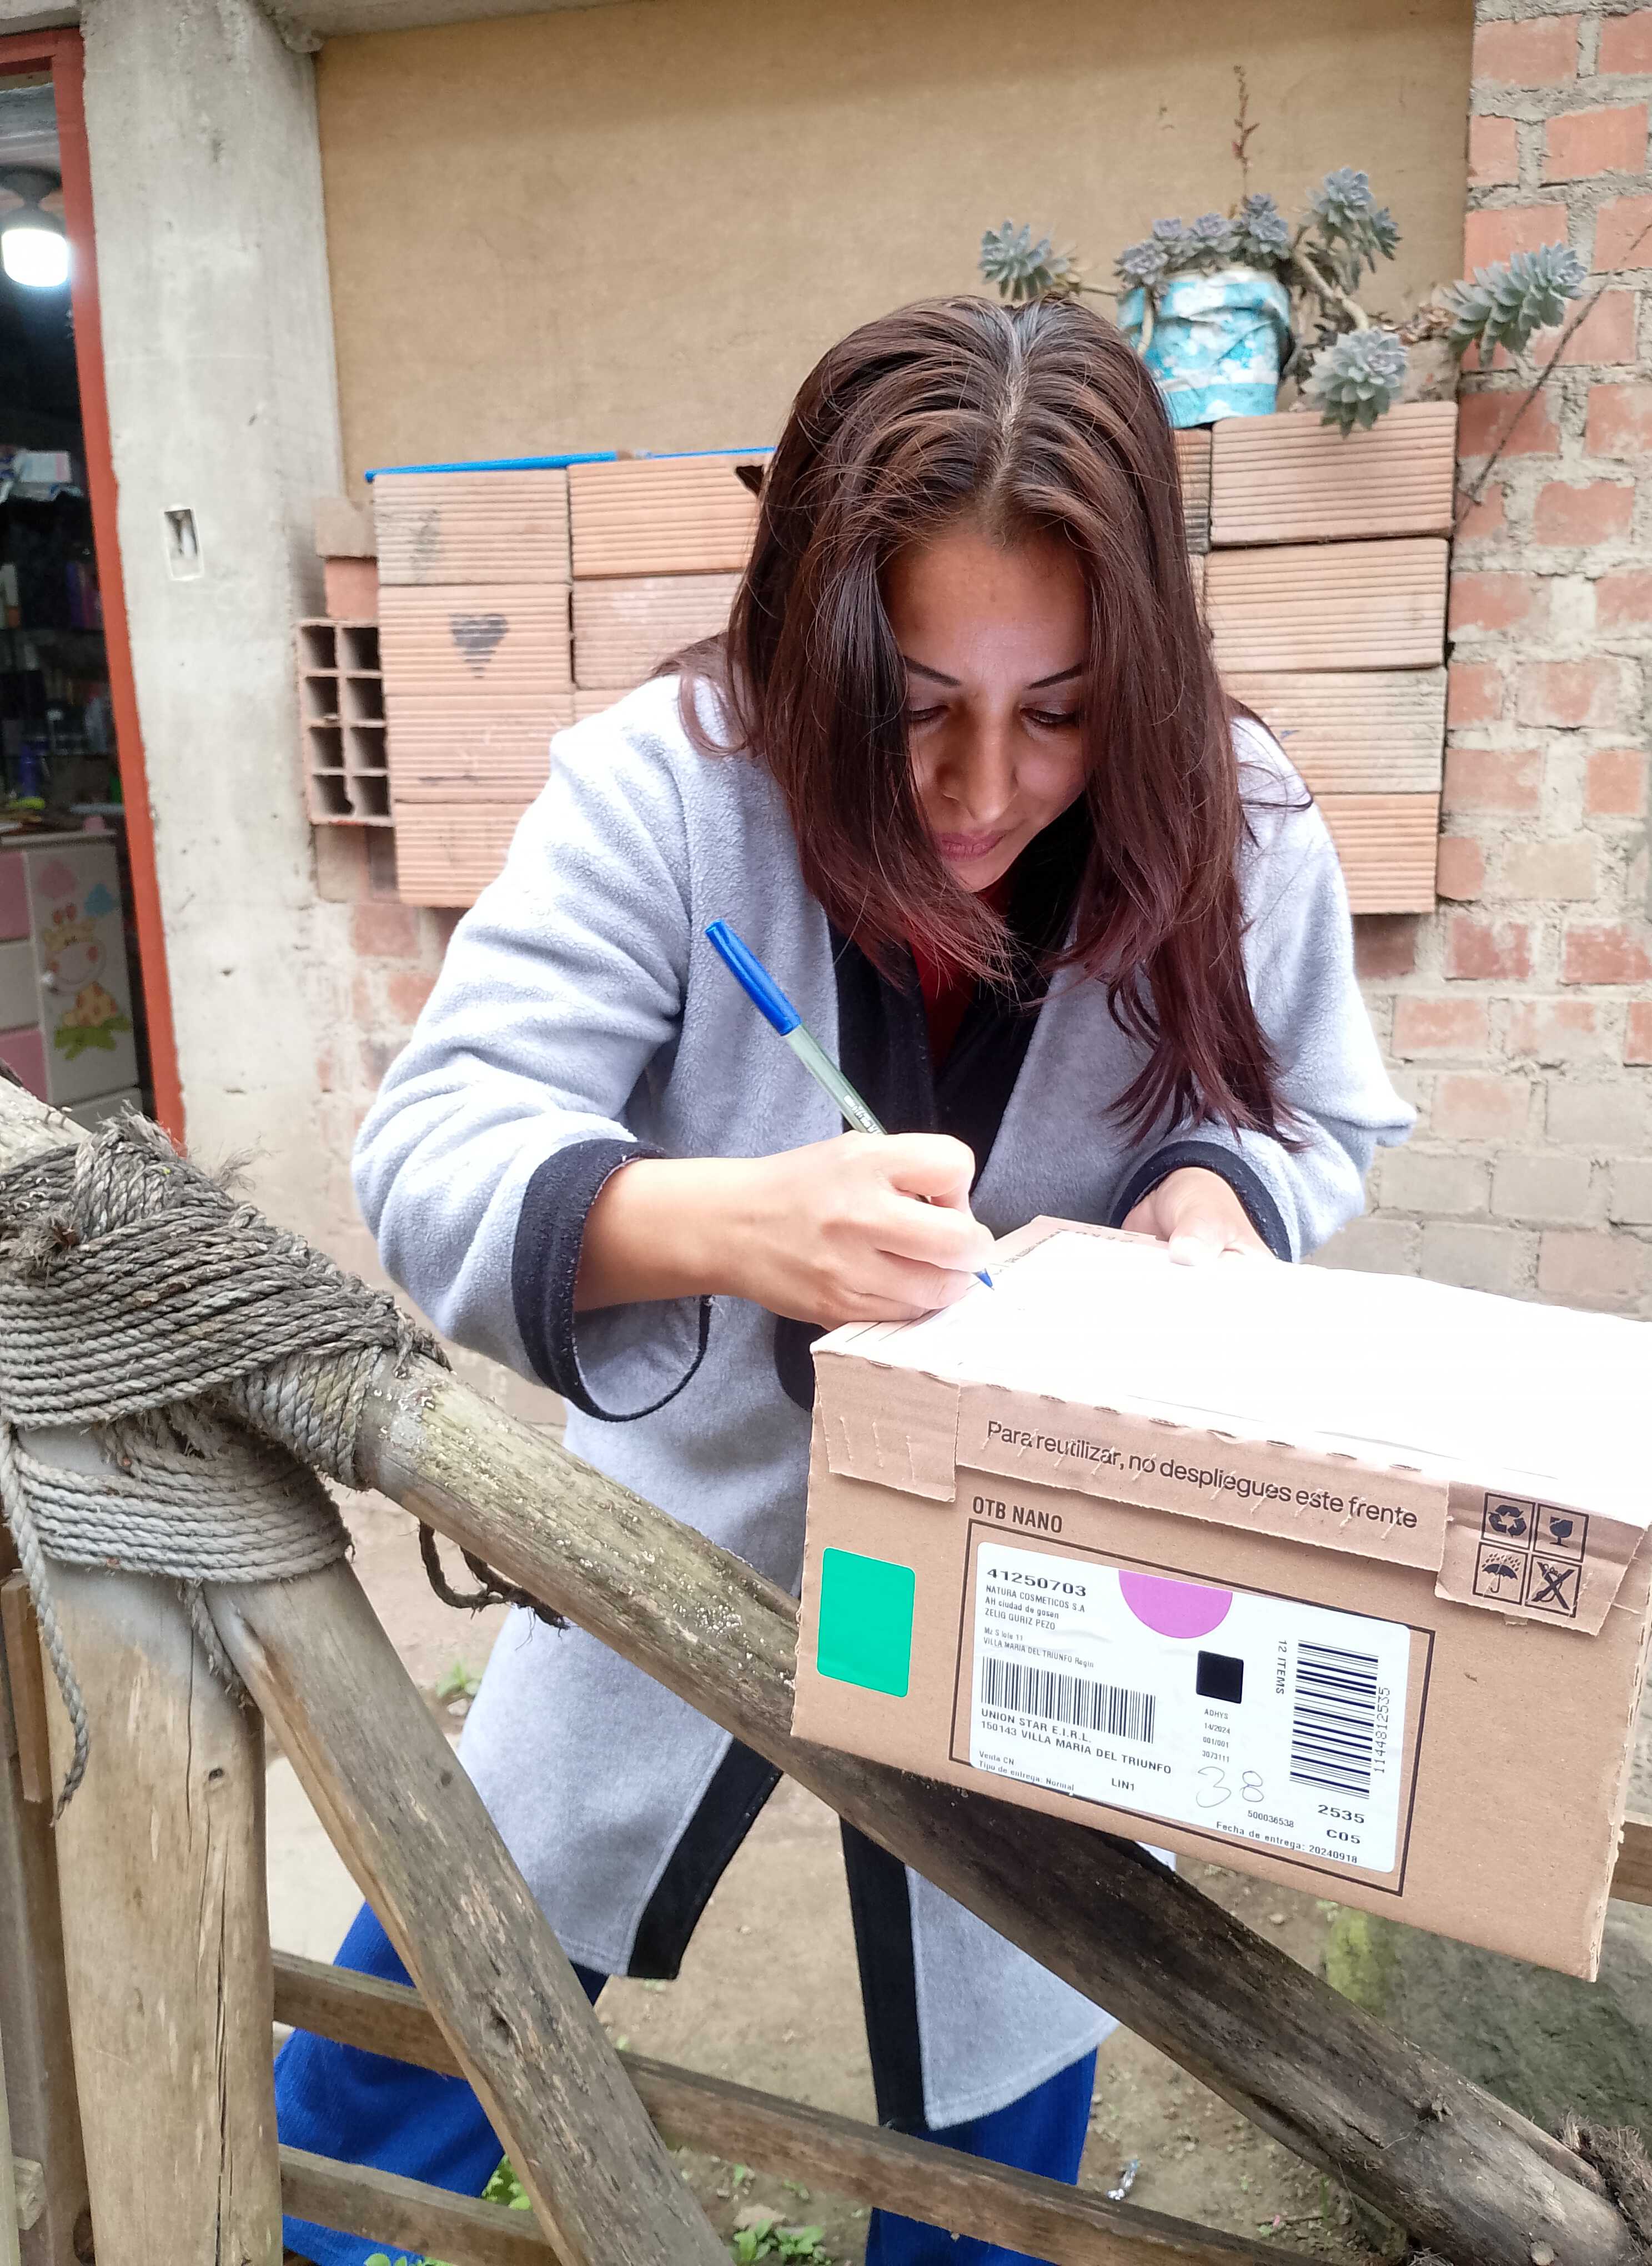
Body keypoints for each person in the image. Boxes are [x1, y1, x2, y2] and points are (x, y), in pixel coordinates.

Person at [275, 294, 1413, 2265]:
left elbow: (1318, 1112)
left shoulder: (1234, 814)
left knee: (1006, 2056)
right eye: (912, 705)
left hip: (1040, 1573)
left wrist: (1212, 1198)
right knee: (460, 1970)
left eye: (1060, 711)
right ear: (811, 639)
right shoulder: (669, 786)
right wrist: (724, 1224)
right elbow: (435, 1146)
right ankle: (300, 2229)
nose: (982, 788)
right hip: (686, 1527)